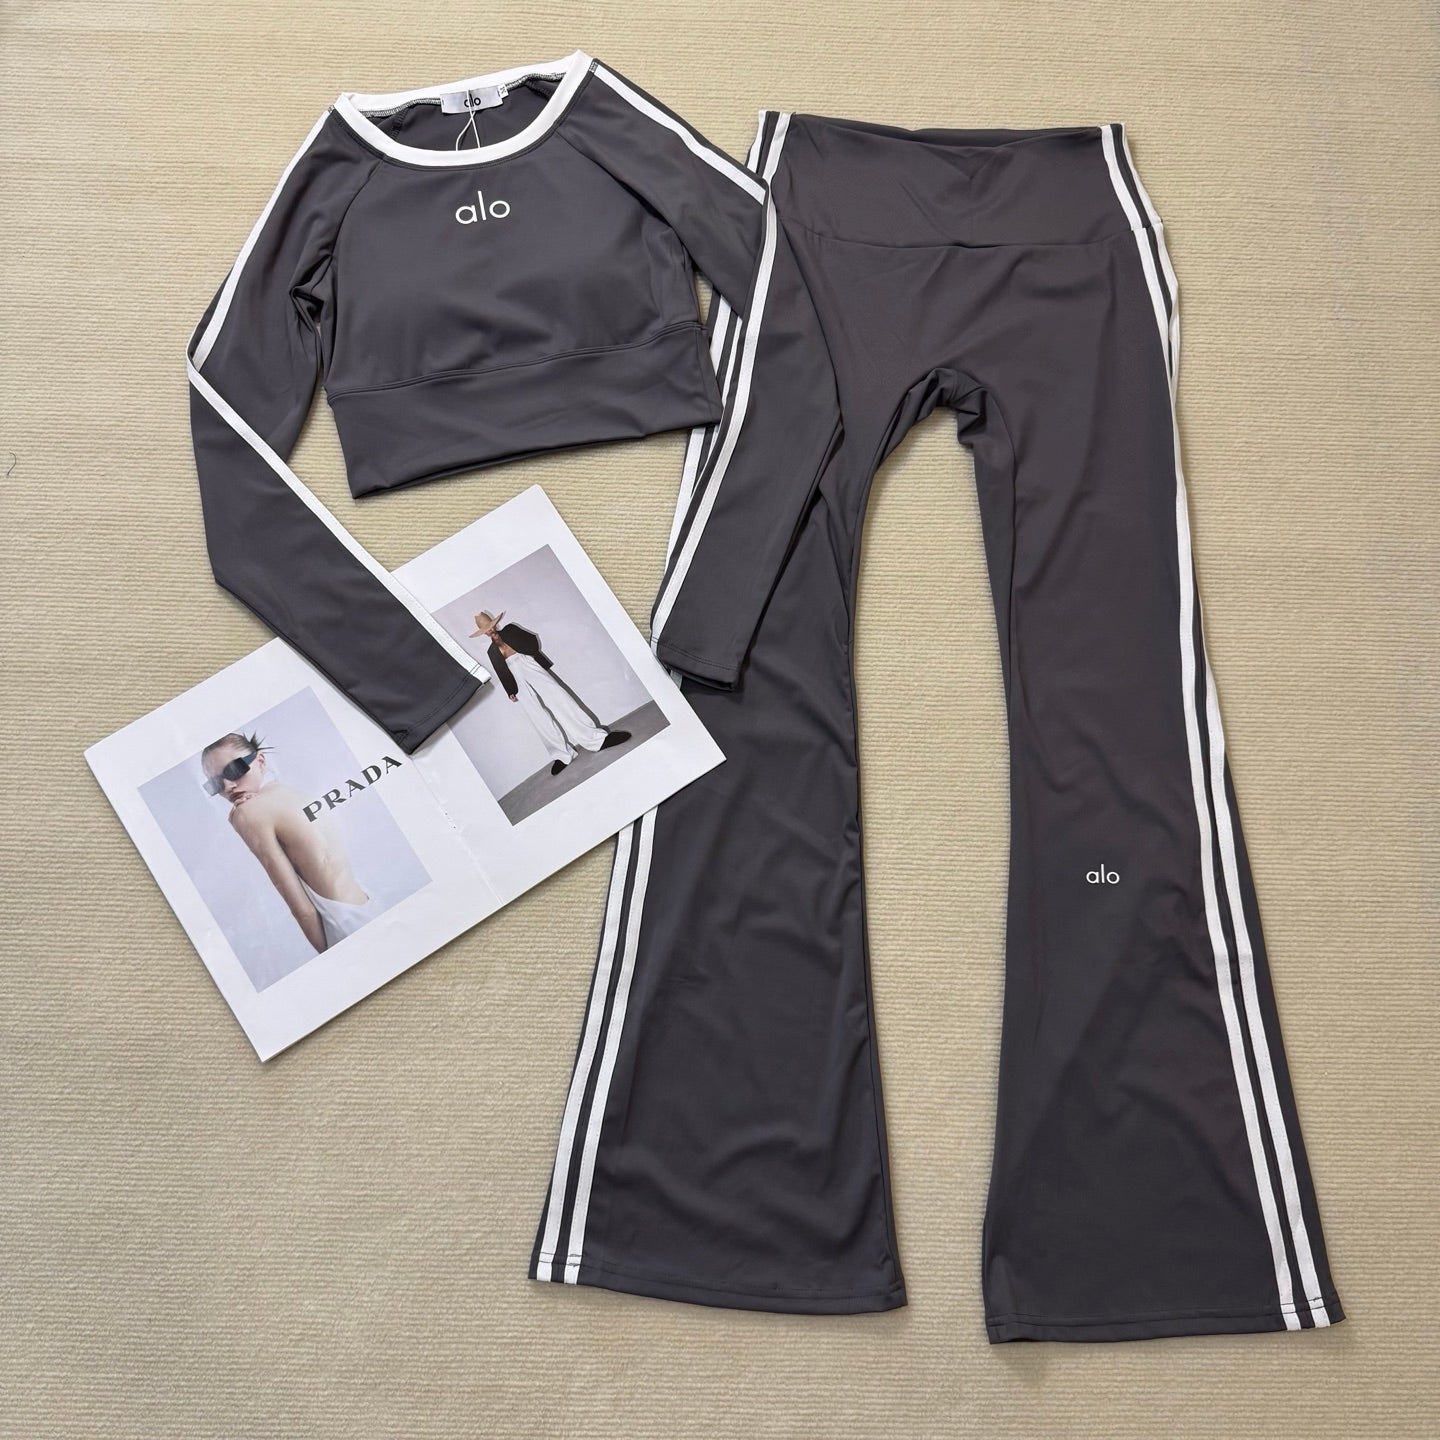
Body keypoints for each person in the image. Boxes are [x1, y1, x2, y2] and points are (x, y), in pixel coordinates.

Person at [200, 731, 382, 951]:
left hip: (343, 926)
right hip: (369, 905)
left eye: (234, 770)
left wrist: (328, 956)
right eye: (215, 784)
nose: (228, 786)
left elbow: (302, 910)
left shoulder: (247, 812)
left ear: (260, 760)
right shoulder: (295, 794)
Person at [470, 611, 631, 775]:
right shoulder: (491, 651)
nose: (490, 631)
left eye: (490, 626)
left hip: (527, 663)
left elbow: (532, 642)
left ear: (495, 623)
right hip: (514, 678)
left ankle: (597, 740)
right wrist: (510, 690)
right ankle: (562, 755)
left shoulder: (510, 630)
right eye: (486, 630)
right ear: (483, 634)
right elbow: (501, 671)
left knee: (560, 700)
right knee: (537, 716)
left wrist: (514, 645)